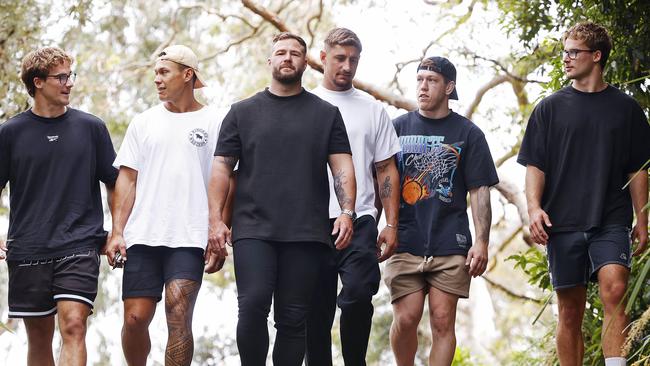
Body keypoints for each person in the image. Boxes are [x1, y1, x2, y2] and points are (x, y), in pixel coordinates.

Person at [207, 32, 356, 366]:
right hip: (253, 228)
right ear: (270, 61)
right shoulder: (241, 112)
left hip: (306, 231)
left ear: (306, 62)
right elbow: (221, 168)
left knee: (292, 317)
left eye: (295, 53)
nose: (288, 58)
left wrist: (347, 211)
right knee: (253, 305)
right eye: (281, 52)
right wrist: (216, 221)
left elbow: (342, 166)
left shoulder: (326, 113)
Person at [517, 22, 650, 366]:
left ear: (597, 56)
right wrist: (534, 209)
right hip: (562, 221)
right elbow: (535, 166)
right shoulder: (549, 109)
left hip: (610, 218)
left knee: (615, 290)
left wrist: (642, 218)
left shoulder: (627, 109)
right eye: (565, 51)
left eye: (573, 52)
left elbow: (637, 169)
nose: (566, 58)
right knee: (570, 310)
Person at [105, 44, 225, 366]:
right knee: (135, 319)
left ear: (188, 75)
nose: (157, 80)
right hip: (143, 234)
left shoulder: (216, 120)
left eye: (163, 72)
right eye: (155, 73)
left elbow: (228, 179)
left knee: (179, 313)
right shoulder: (143, 122)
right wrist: (117, 231)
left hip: (190, 235)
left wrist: (220, 230)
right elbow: (127, 180)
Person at [0, 47, 118, 366]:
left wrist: (118, 231)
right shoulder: (10, 133)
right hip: (27, 248)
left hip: (79, 244)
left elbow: (115, 182)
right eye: (61, 77)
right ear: (38, 82)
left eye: (70, 76)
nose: (69, 83)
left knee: (74, 326)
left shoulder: (92, 128)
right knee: (39, 339)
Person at [384, 56, 499, 366]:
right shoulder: (396, 129)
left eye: (431, 80)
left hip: (452, 241)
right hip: (404, 240)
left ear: (449, 87)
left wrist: (482, 241)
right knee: (406, 318)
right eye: (420, 79)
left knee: (442, 319)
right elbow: (382, 181)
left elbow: (479, 190)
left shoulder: (469, 133)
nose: (423, 86)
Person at [304, 27, 401, 366]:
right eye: (340, 58)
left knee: (360, 293)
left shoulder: (372, 110)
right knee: (315, 309)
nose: (346, 66)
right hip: (311, 223)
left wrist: (390, 222)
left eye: (353, 60)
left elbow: (386, 169)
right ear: (323, 58)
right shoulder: (304, 105)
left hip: (359, 221)